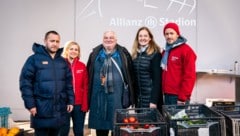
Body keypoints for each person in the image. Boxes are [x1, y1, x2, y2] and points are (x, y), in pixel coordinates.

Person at [19, 30, 74, 136]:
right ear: (45, 41)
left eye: (57, 41)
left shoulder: (62, 61)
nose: (55, 44)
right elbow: (25, 83)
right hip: (41, 110)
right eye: (52, 41)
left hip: (59, 110)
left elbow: (68, 83)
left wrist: (70, 101)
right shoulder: (33, 59)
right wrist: (30, 104)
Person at [87, 30, 134, 136]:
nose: (108, 40)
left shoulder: (123, 53)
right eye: (106, 38)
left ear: (116, 40)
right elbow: (88, 73)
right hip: (99, 96)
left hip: (117, 96)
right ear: (102, 40)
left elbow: (131, 75)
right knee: (101, 127)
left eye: (111, 38)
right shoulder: (95, 54)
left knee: (117, 126)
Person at [161, 22, 197, 105]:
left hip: (178, 97)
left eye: (171, 33)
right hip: (166, 95)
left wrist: (182, 97)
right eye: (166, 34)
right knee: (167, 118)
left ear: (177, 34)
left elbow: (190, 76)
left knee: (177, 118)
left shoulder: (186, 51)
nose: (169, 36)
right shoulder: (166, 51)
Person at [131, 26, 163, 112]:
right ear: (137, 39)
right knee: (140, 124)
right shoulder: (135, 55)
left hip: (150, 99)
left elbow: (157, 80)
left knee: (151, 124)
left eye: (145, 36)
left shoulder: (156, 54)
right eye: (140, 36)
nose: (143, 38)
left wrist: (154, 101)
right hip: (139, 99)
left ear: (150, 38)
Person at [61, 41, 89, 136]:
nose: (74, 51)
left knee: (79, 131)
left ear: (78, 52)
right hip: (64, 104)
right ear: (66, 50)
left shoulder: (82, 66)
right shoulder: (60, 65)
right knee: (63, 131)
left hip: (79, 104)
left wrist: (85, 104)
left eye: (76, 49)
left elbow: (85, 86)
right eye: (71, 49)